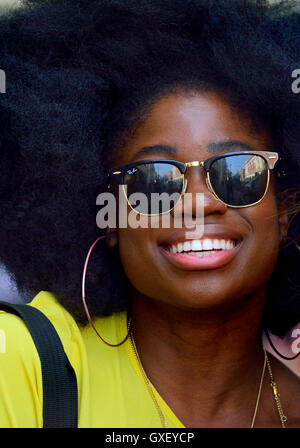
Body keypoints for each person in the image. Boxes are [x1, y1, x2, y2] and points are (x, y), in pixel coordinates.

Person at [0, 0, 299, 428]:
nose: (199, 202)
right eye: (154, 180)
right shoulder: (23, 367)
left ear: (284, 209)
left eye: (238, 172)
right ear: (110, 219)